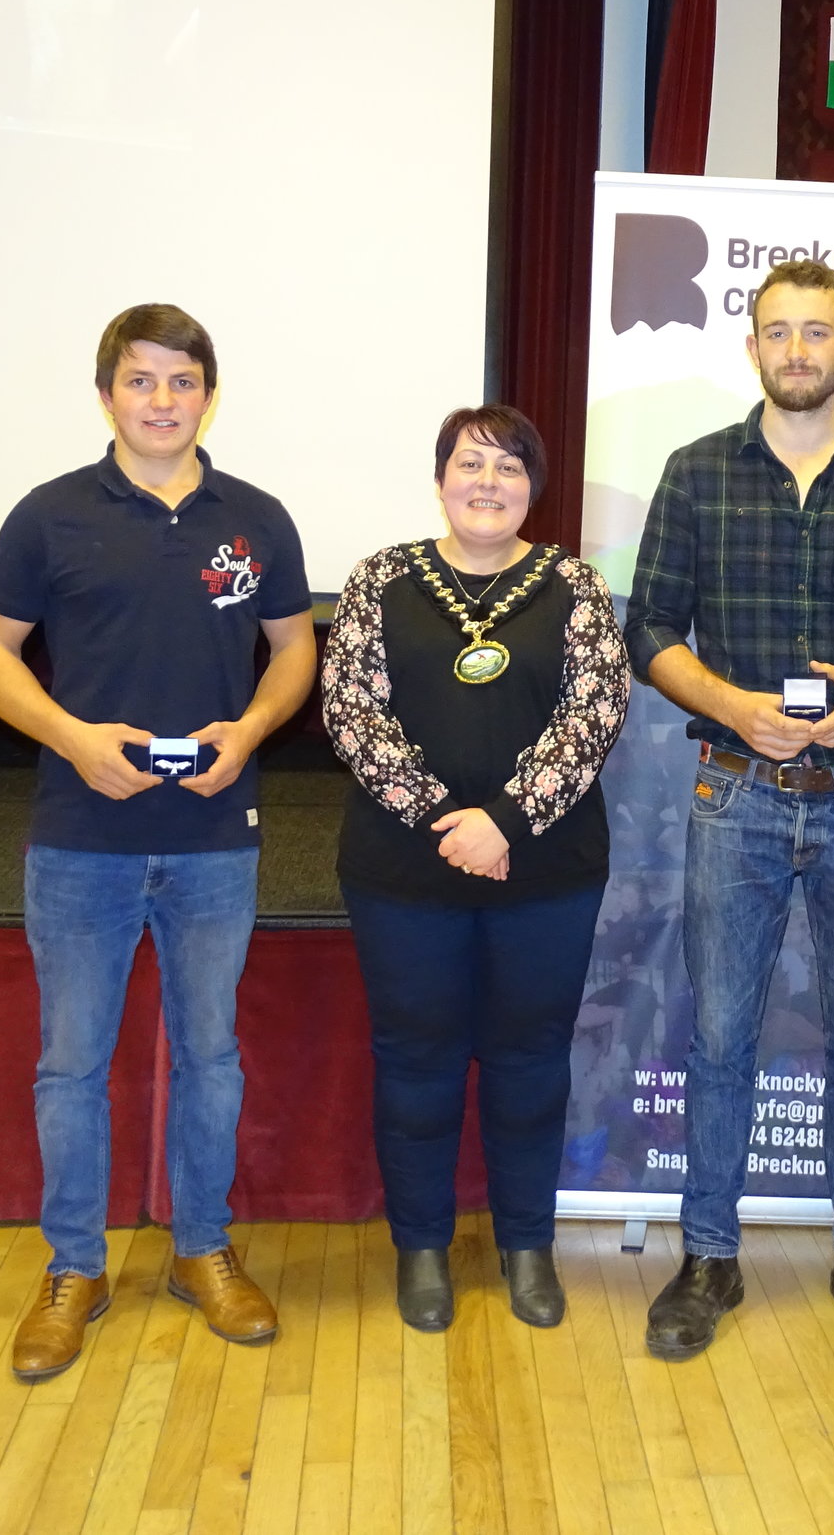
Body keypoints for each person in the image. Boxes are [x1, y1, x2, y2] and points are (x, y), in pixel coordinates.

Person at [0, 303, 318, 1380]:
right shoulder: (48, 516)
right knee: (72, 1065)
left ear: (208, 395)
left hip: (216, 834)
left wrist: (252, 728)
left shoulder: (255, 518)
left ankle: (200, 1252)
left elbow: (294, 651)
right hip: (83, 840)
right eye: (140, 381)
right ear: (107, 393)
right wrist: (74, 739)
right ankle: (74, 1269)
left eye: (181, 381)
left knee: (209, 1057)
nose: (161, 400)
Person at [624, 257, 834, 1362]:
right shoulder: (695, 473)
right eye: (779, 332)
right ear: (753, 346)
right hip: (735, 793)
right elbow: (651, 629)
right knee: (720, 1036)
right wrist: (728, 704)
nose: (798, 351)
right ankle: (708, 1258)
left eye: (818, 333)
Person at [323, 405, 628, 1332]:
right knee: (414, 1060)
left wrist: (501, 822)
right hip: (401, 873)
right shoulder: (381, 577)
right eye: (470, 463)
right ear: (440, 476)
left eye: (509, 467)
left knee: (530, 1061)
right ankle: (421, 1248)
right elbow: (349, 711)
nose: (487, 482)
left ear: (534, 486)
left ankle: (525, 1245)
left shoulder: (575, 586)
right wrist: (441, 819)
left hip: (546, 872)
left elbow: (596, 711)